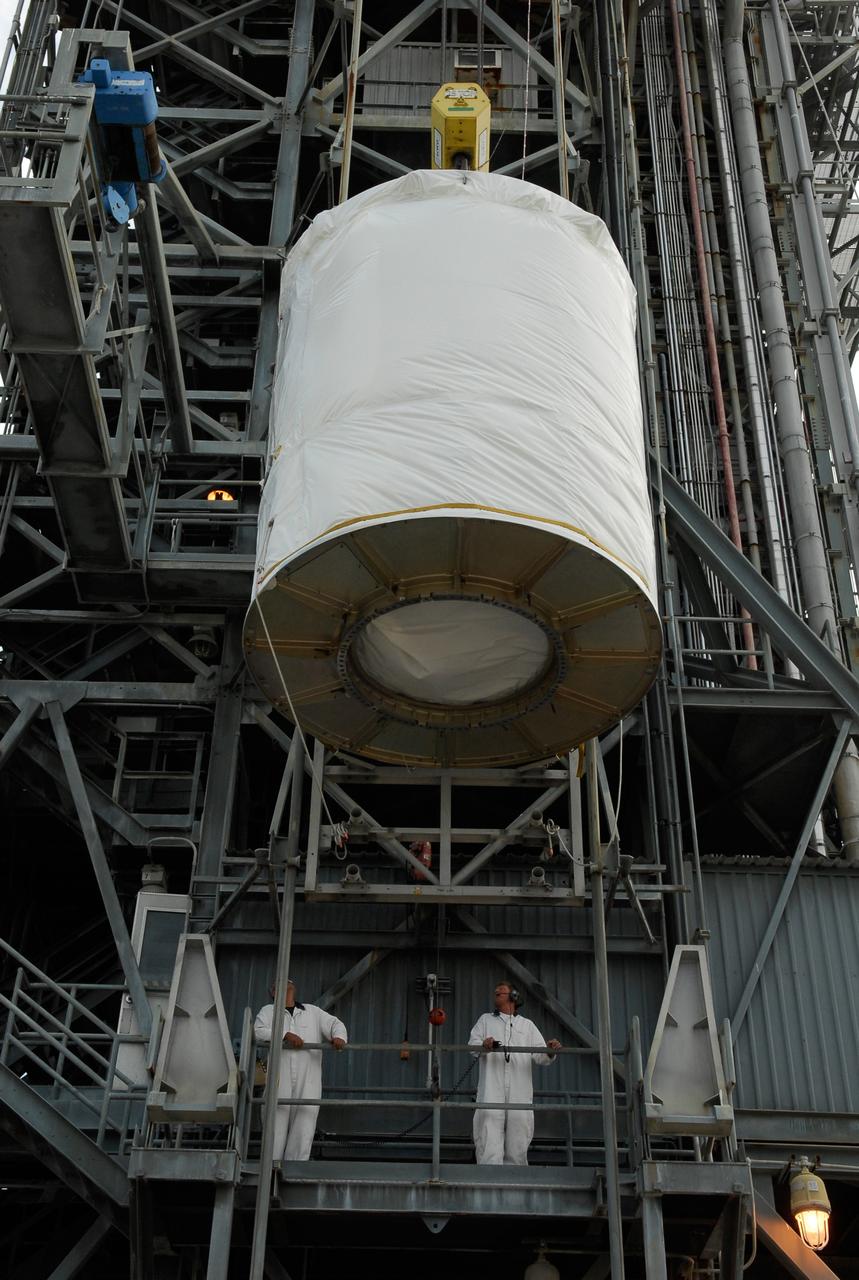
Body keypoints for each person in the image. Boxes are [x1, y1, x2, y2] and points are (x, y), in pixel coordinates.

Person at [254, 976, 348, 1162]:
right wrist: (285, 1035)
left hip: (309, 1078)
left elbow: (335, 1024)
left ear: (294, 989)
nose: (285, 986)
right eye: (278, 985)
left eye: (289, 983)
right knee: (275, 1121)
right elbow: (258, 1031)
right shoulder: (268, 1011)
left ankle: (294, 1168)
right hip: (279, 1078)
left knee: (305, 1121)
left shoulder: (312, 1012)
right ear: (273, 993)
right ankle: (270, 1168)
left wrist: (339, 1037)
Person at [468, 981, 561, 1165]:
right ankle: (488, 1179)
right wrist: (483, 1045)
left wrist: (550, 1050)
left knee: (519, 1133)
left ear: (514, 997)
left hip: (519, 1092)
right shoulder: (485, 1020)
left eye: (500, 992)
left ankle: (516, 1179)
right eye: (496, 991)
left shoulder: (527, 1026)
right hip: (491, 1091)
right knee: (489, 1129)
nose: (496, 994)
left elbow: (540, 1055)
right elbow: (472, 1045)